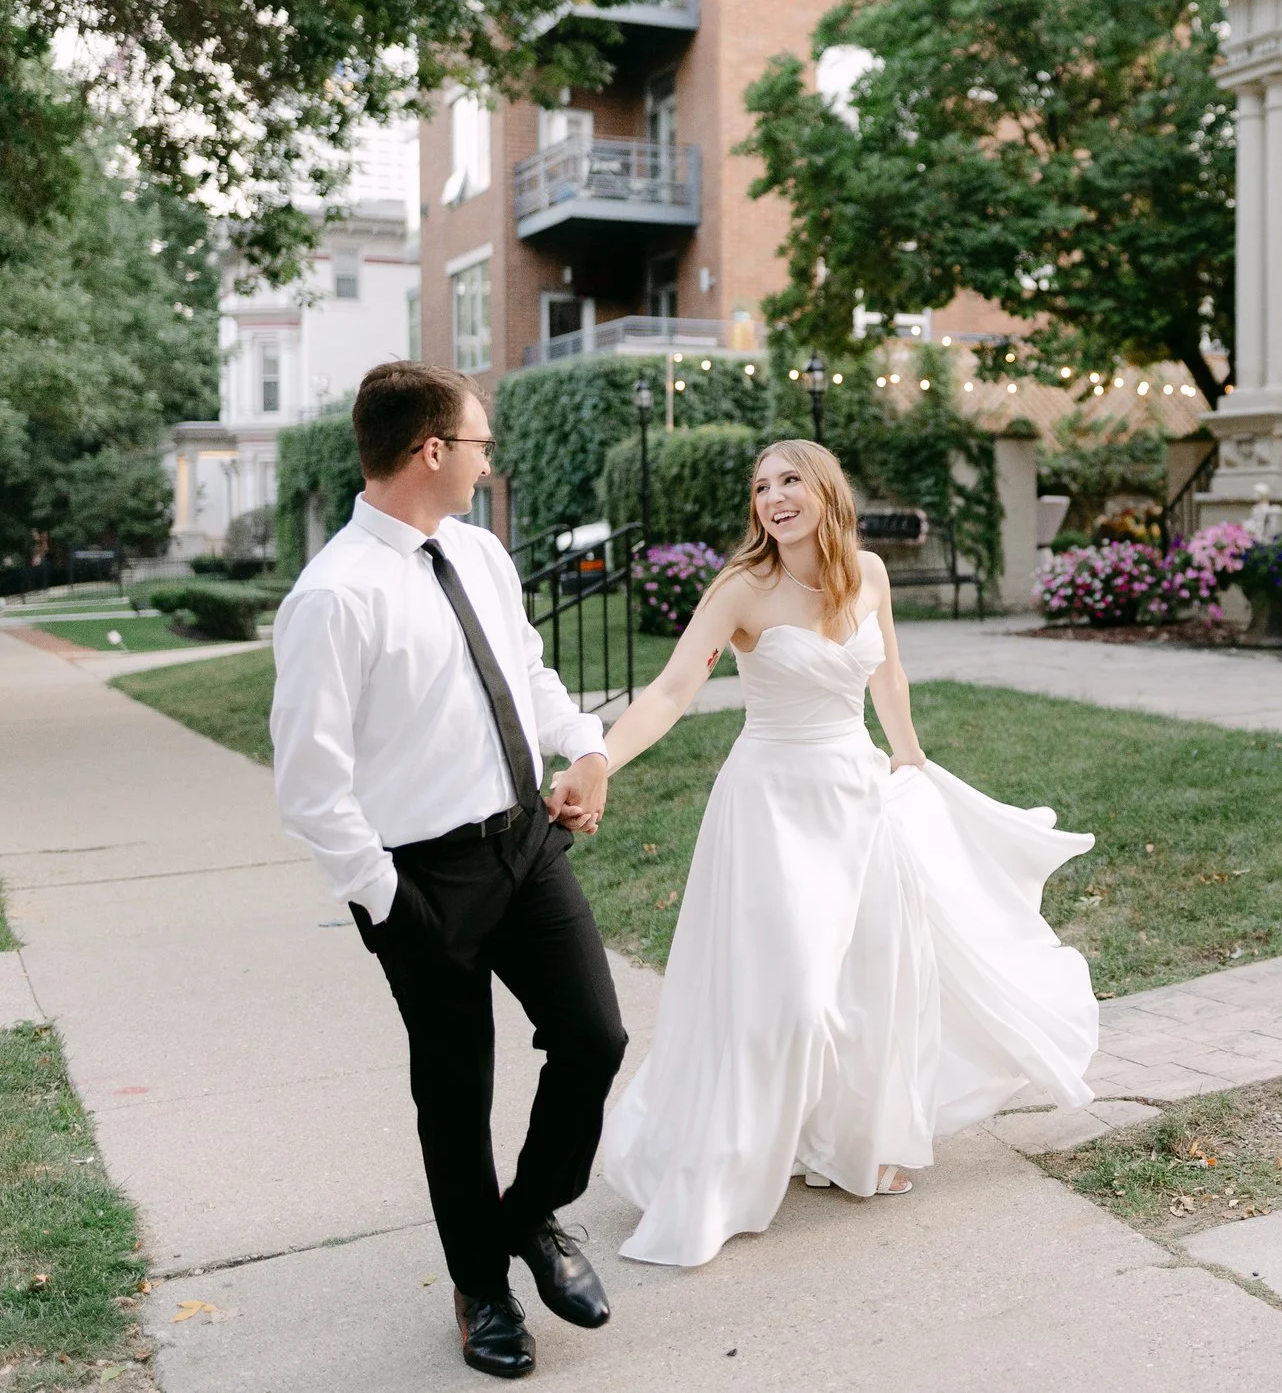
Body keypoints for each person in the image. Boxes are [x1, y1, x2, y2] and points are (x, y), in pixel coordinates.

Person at [592, 439, 1098, 1267]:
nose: (774, 497)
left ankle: (849, 1143)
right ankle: (736, 1152)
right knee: (789, 992)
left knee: (871, 978)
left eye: (790, 480)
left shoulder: (868, 573)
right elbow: (672, 688)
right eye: (761, 486)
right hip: (770, 803)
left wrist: (907, 753)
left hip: (856, 795)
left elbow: (887, 674)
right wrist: (604, 757)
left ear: (827, 488)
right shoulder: (740, 589)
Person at [270, 362, 625, 1381]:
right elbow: (310, 787)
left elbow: (525, 665)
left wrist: (584, 745)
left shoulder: (477, 550)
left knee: (594, 1036)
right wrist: (392, 905)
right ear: (432, 450)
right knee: (456, 1088)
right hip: (420, 878)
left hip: (525, 842)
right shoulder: (333, 595)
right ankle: (482, 1287)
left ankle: (531, 1215)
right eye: (479, 444)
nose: (487, 461)